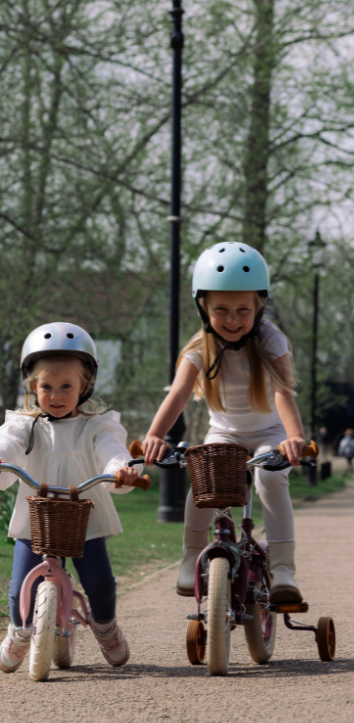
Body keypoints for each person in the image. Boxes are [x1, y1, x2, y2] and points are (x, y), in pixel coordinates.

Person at [141, 242, 308, 603]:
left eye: (243, 310)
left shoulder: (270, 339)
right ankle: (190, 558)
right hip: (225, 432)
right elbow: (179, 394)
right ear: (203, 307)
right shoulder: (199, 347)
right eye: (221, 310)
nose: (233, 319)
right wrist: (154, 435)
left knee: (270, 477)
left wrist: (295, 438)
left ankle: (282, 568)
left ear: (258, 306)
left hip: (270, 432)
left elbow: (282, 392)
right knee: (205, 481)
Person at [0, 323, 140, 672]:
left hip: (85, 521)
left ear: (85, 386)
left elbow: (111, 449)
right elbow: (8, 446)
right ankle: (19, 629)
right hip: (37, 520)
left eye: (67, 386)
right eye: (47, 386)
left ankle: (105, 627)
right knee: (20, 590)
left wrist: (120, 467)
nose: (57, 395)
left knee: (101, 584)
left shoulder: (97, 425)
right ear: (32, 387)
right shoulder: (24, 424)